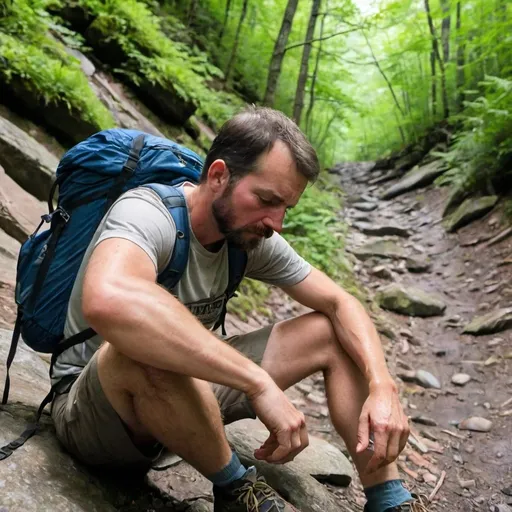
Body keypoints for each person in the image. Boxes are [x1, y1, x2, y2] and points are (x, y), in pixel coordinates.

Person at [50, 106, 419, 512]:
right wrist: (257, 382)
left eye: (285, 209)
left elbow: (340, 302)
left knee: (331, 332)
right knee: (143, 343)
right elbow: (110, 300)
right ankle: (236, 490)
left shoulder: (247, 234)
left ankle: (387, 498)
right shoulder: (146, 212)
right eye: (266, 200)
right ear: (219, 175)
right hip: (94, 414)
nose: (276, 222)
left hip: (181, 402)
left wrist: (383, 386)